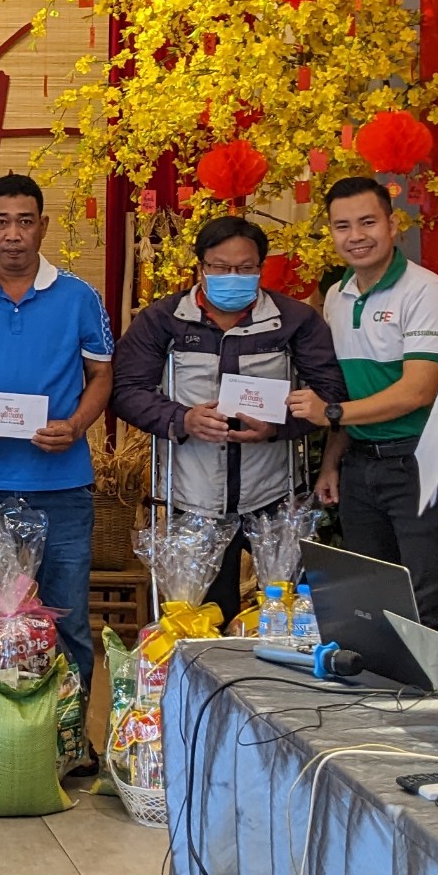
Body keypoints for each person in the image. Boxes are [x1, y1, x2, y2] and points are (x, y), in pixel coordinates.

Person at [0, 173, 113, 726]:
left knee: (67, 620)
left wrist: (76, 425)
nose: (13, 234)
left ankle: (69, 741)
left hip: (62, 486)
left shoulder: (80, 297)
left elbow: (102, 376)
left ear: (43, 227)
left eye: (25, 222)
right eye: (2, 222)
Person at [112, 216, 342, 625]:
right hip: (192, 495)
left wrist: (277, 427)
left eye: (245, 268)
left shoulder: (294, 320)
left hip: (272, 493)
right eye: (220, 267)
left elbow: (330, 394)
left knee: (282, 616)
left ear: (261, 267)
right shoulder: (164, 319)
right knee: (203, 620)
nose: (232, 277)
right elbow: (126, 390)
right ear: (200, 267)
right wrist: (183, 418)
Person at [285, 176, 438, 632]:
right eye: (342, 226)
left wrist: (331, 413)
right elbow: (349, 390)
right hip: (362, 466)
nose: (356, 236)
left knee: (428, 603)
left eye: (368, 222)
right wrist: (332, 461)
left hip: (422, 461)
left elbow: (418, 390)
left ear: (392, 224)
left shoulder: (426, 291)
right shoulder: (337, 296)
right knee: (371, 601)